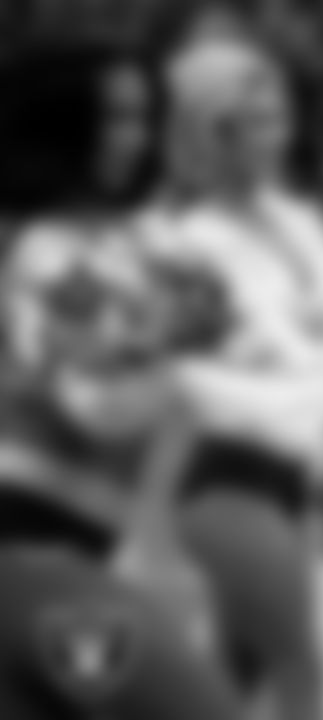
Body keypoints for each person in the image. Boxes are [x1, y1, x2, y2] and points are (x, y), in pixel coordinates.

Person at [0, 41, 244, 720]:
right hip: (31, 567)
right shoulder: (43, 249)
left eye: (142, 117)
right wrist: (178, 351)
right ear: (58, 125)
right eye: (112, 119)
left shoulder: (121, 243)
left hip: (67, 562)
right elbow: (98, 410)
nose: (133, 138)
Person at [150, 24, 323, 720]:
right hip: (230, 489)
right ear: (215, 133)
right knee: (303, 669)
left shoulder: (296, 219)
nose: (277, 136)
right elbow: (200, 381)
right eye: (256, 123)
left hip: (289, 486)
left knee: (225, 688)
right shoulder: (186, 239)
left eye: (280, 118)